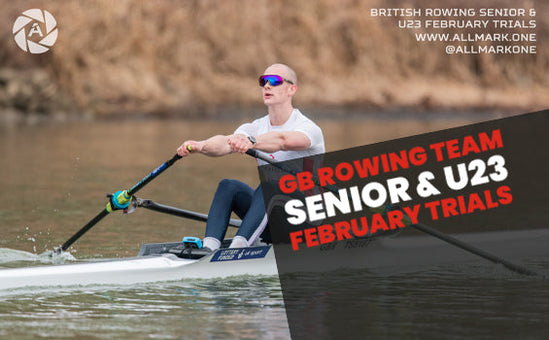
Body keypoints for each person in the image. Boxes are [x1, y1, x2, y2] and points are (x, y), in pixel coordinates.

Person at [176, 63, 325, 252]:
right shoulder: (256, 126)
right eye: (263, 81)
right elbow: (224, 142)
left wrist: (252, 141)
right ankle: (209, 249)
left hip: (306, 224)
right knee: (228, 186)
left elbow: (283, 140)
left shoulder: (308, 128)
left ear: (291, 89)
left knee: (271, 184)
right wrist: (201, 145)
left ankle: (239, 247)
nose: (267, 86)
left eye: (275, 81)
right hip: (274, 222)